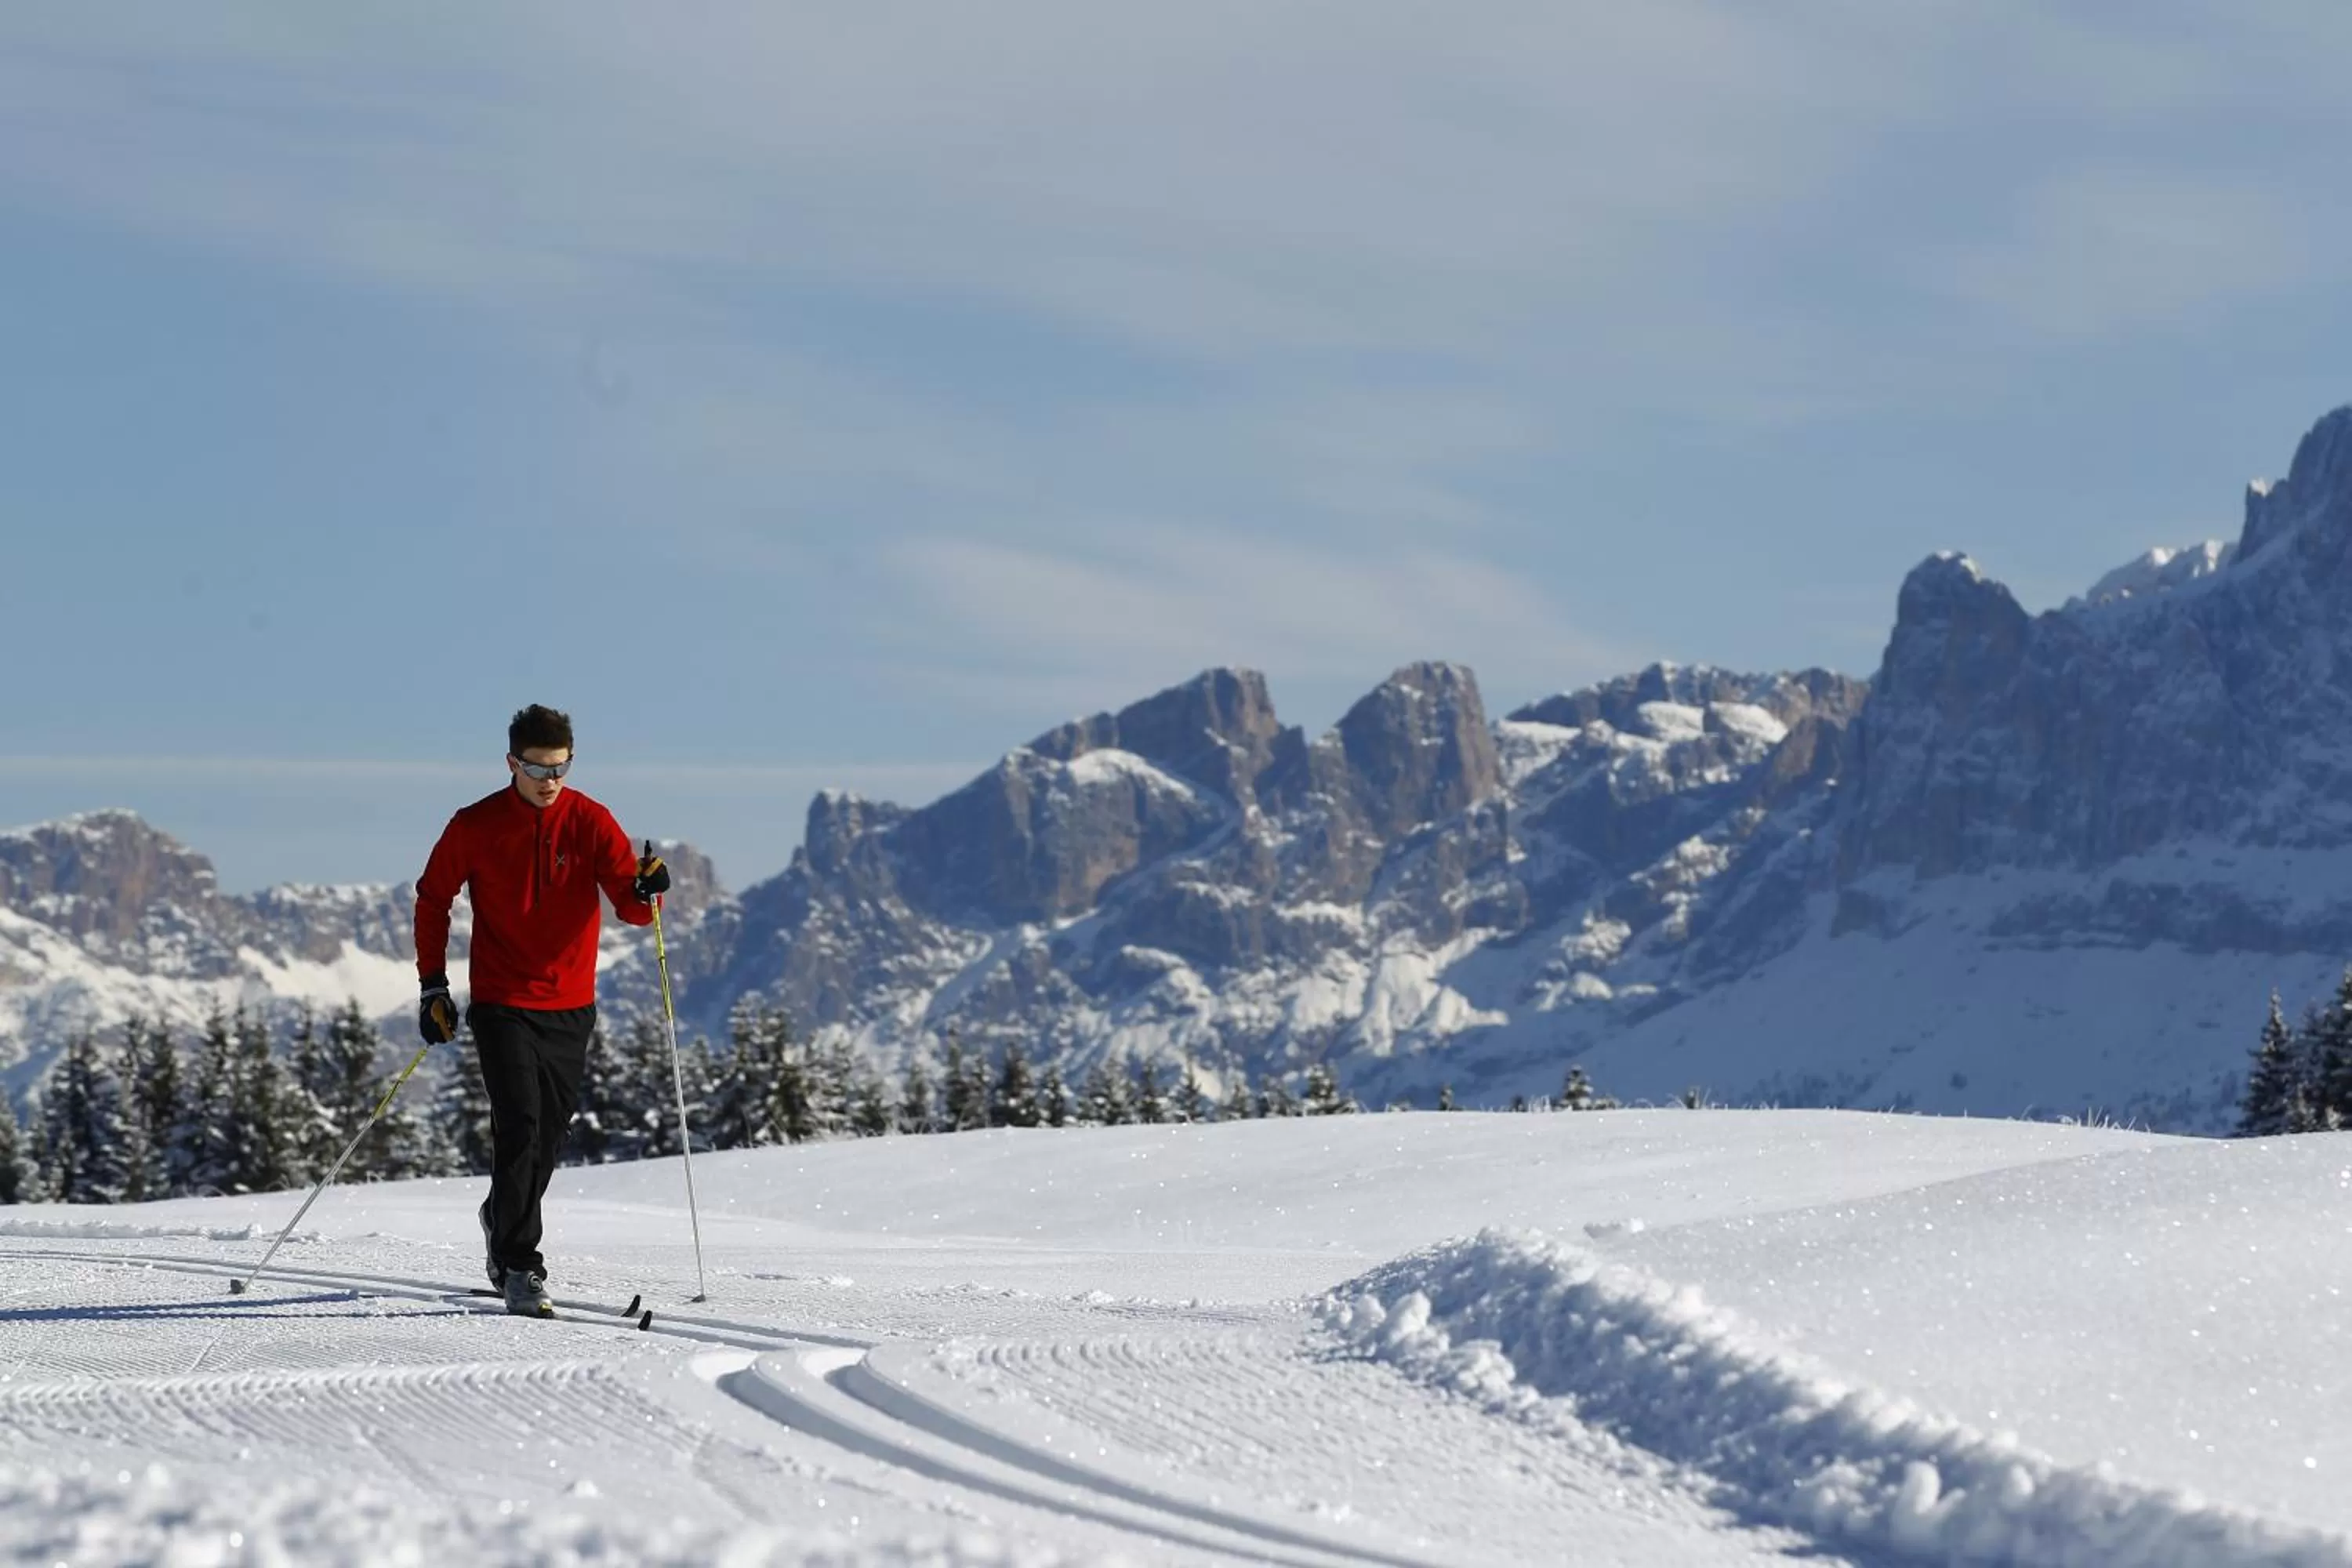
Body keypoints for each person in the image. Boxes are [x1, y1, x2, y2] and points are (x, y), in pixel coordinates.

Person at [414, 704, 670, 1316]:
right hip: (503, 1001)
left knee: (548, 1139)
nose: (549, 780)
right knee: (521, 1125)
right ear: (512, 763)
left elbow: (632, 910)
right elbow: (433, 898)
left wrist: (649, 890)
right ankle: (519, 1265)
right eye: (536, 768)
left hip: (570, 1006)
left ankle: (501, 1214)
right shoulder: (475, 824)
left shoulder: (591, 821)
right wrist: (433, 985)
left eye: (559, 768)